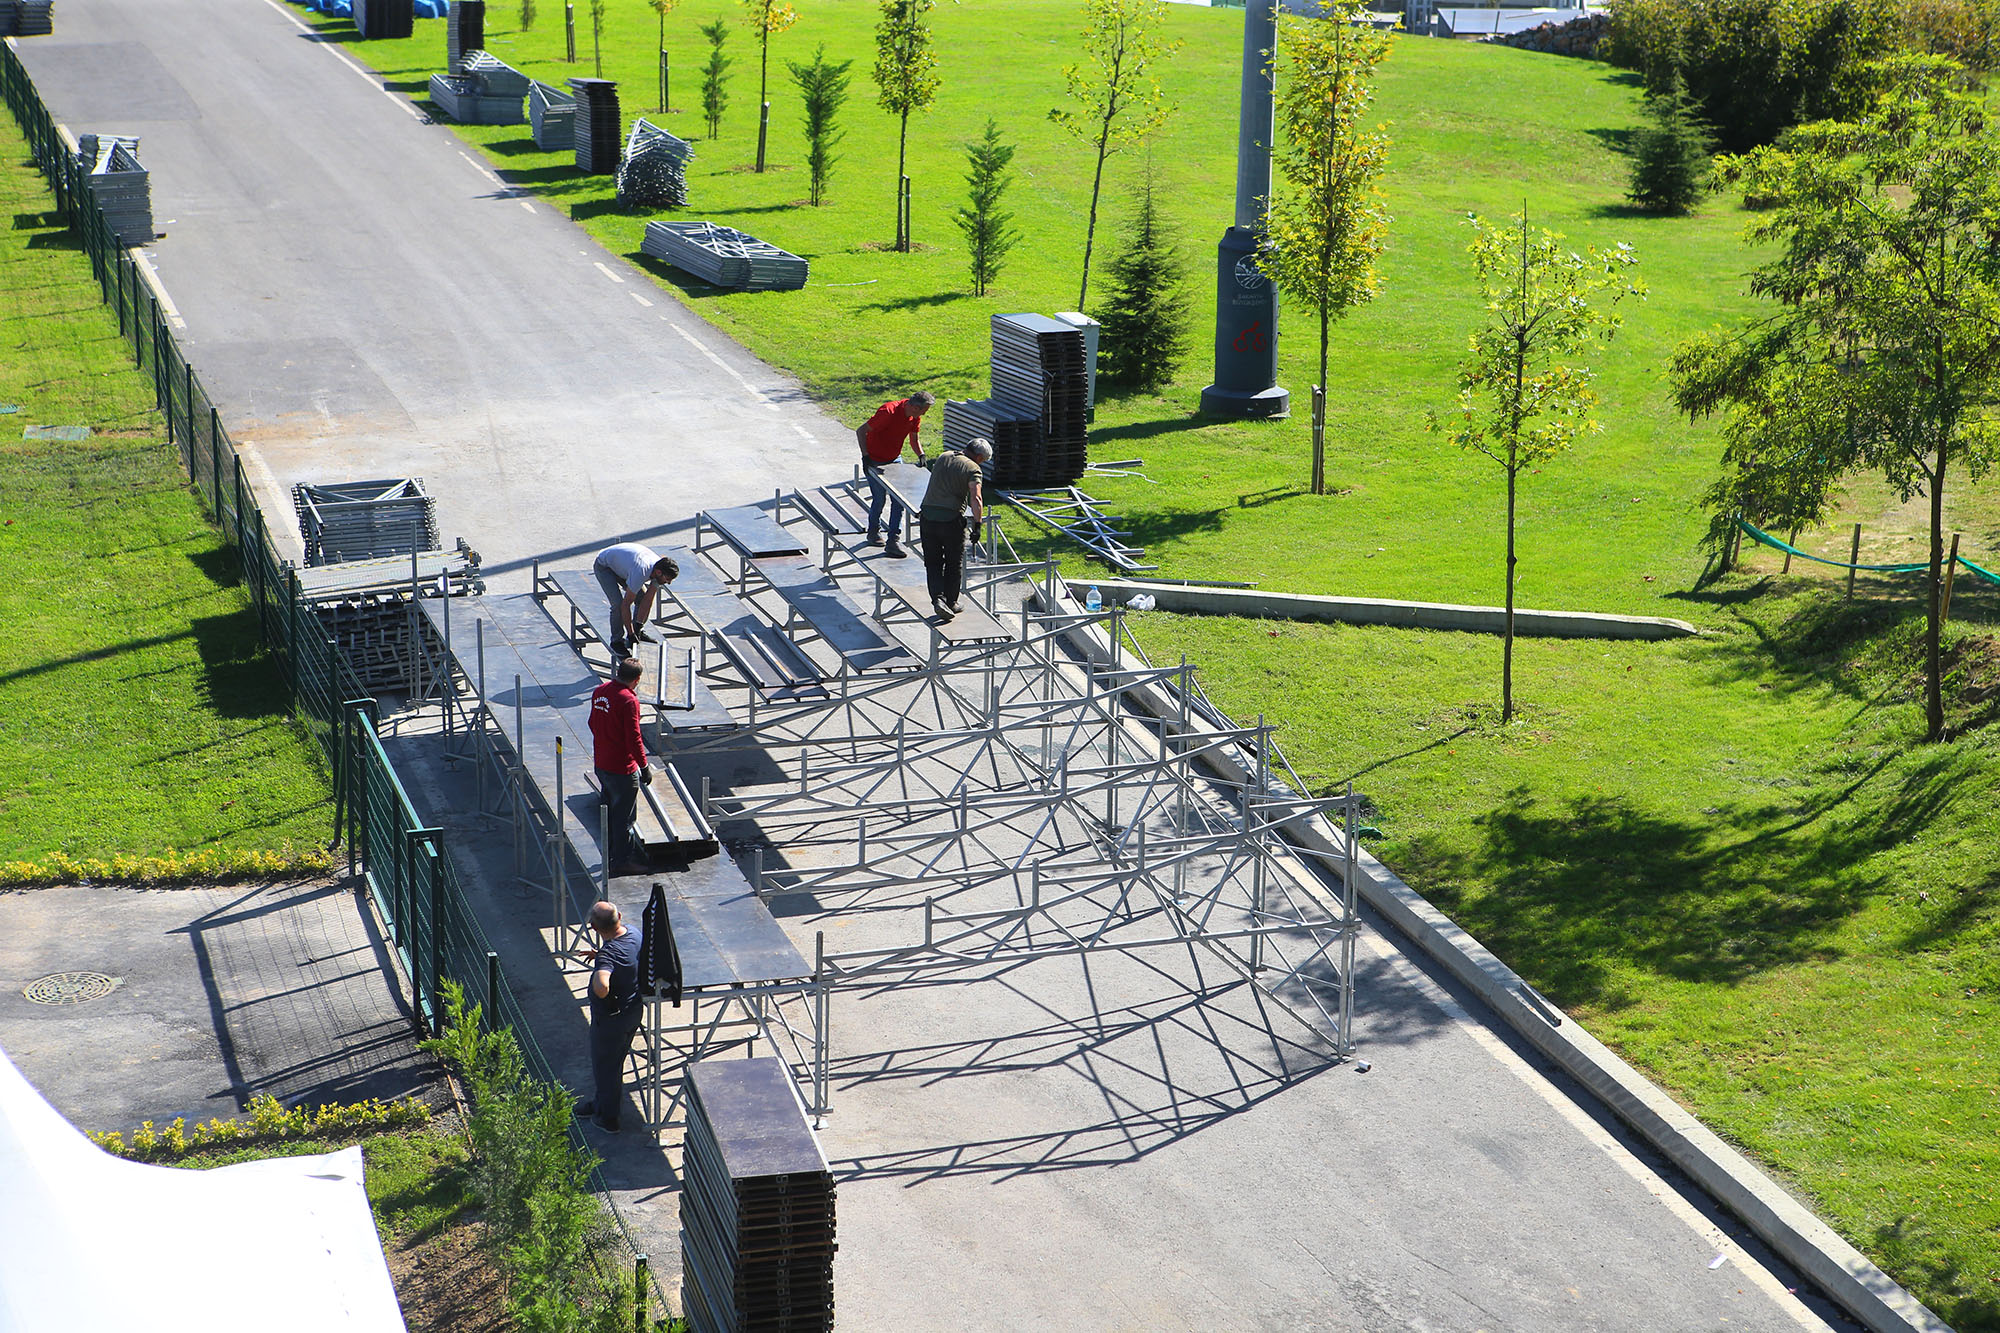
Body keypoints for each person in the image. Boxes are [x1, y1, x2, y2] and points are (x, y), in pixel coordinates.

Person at [576, 900, 643, 1134]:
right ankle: (599, 1104)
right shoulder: (634, 934)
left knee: (606, 1068)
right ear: (620, 916)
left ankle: (608, 1118)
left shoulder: (608, 956)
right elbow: (628, 957)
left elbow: (603, 986)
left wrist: (600, 969)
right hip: (631, 1012)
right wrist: (602, 956)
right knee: (611, 1064)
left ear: (594, 927)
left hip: (611, 1021)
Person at [589, 656, 653, 877]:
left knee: (608, 809)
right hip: (622, 768)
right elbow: (634, 738)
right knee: (624, 817)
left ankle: (610, 852)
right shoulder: (628, 700)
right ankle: (621, 861)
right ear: (637, 679)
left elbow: (592, 723)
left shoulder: (600, 691)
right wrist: (644, 766)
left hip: (602, 763)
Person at [854, 390, 935, 558]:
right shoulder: (888, 412)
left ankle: (893, 541)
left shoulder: (914, 417)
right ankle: (873, 531)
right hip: (874, 459)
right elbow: (861, 431)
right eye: (923, 410)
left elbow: (914, 439)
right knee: (879, 498)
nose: (924, 414)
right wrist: (865, 457)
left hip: (894, 459)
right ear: (913, 407)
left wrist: (921, 454)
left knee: (899, 500)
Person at [917, 439, 989, 622]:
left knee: (932, 562)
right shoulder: (973, 469)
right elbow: (976, 498)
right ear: (979, 457)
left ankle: (937, 599)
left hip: (927, 517)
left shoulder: (944, 456)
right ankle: (951, 602)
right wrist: (977, 525)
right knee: (952, 562)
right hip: (950, 520)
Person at [593, 542, 679, 655]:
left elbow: (647, 600)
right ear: (658, 572)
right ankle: (616, 641)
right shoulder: (641, 572)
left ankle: (639, 631)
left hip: (624, 566)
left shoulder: (659, 568)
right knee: (618, 605)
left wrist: (638, 627)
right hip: (605, 567)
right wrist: (630, 634)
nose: (668, 583)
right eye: (667, 579)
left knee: (642, 596)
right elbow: (626, 605)